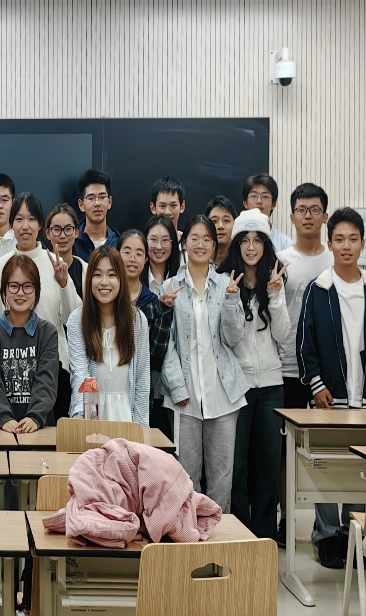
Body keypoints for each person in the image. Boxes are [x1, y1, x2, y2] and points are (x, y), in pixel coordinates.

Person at [298, 206, 366, 568]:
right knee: (325, 467)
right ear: (330, 244)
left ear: (363, 244)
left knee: (359, 469)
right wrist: (315, 385)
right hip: (329, 397)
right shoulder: (318, 288)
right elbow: (304, 344)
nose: (346, 246)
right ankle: (327, 535)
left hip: (364, 398)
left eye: (353, 239)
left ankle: (354, 533)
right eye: (339, 239)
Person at [159, 215, 249, 511]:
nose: (200, 244)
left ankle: (218, 534)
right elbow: (166, 344)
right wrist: (177, 387)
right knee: (186, 476)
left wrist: (233, 300)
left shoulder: (226, 284)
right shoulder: (170, 286)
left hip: (223, 394)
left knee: (222, 478)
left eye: (206, 239)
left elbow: (233, 339)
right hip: (184, 396)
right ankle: (188, 533)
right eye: (194, 238)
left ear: (214, 246)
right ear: (184, 244)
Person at [218, 209, 290, 540]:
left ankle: (264, 539)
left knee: (268, 467)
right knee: (237, 468)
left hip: (272, 386)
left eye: (257, 240)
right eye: (244, 240)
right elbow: (230, 338)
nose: (250, 247)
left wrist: (274, 295)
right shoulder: (225, 281)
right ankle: (239, 537)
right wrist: (232, 300)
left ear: (265, 245)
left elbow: (282, 334)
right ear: (236, 245)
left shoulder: (274, 280)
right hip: (238, 387)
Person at [0, 193, 82, 422]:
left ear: (41, 225)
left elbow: (73, 318)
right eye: (19, 219)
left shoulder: (55, 263)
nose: (25, 226)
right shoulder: (1, 266)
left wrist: (64, 283)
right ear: (11, 224)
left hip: (54, 367)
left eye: (31, 219)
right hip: (13, 367)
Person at [275, 182, 332, 544]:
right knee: (283, 453)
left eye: (314, 210)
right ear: (292, 216)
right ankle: (285, 519)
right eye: (301, 210)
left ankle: (327, 529)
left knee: (324, 453)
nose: (308, 216)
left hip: (327, 374)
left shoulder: (335, 258)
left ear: (325, 216)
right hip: (286, 368)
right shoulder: (281, 259)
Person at [67, 247, 151, 425]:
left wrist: (142, 428)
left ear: (121, 279)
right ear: (89, 279)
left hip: (126, 414)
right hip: (92, 415)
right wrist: (84, 416)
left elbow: (142, 380)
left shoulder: (137, 320)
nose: (104, 282)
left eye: (111, 275)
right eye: (97, 275)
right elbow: (79, 374)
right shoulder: (77, 319)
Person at [0, 254, 59, 432]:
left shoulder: (47, 332)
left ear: (36, 290)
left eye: (27, 286)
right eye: (14, 286)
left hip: (40, 427)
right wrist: (4, 418)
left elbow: (47, 381)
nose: (21, 293)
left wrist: (34, 417)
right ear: (4, 290)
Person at [119, 230, 174, 437]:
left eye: (139, 253)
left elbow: (156, 352)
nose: (132, 258)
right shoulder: (105, 297)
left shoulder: (152, 302)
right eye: (127, 252)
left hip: (141, 389)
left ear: (145, 259)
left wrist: (165, 311)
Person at [74, 170, 121, 261]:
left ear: (110, 202)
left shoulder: (119, 243)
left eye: (102, 197)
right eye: (91, 198)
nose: (97, 203)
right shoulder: (72, 240)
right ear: (81, 205)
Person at [241, 173, 294, 252]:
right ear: (245, 203)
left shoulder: (286, 245)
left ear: (273, 204)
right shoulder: (237, 241)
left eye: (265, 196)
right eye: (254, 196)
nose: (259, 201)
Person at [46, 203, 87, 299]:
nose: (62, 236)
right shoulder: (39, 268)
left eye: (68, 229)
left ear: (76, 232)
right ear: (47, 233)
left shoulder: (86, 271)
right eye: (56, 229)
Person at [142, 214, 182, 296]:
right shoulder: (136, 276)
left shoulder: (182, 277)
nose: (159, 247)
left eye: (165, 240)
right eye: (153, 239)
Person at [205, 196, 238, 268]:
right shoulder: (196, 259)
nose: (220, 226)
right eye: (214, 221)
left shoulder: (242, 261)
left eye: (226, 220)